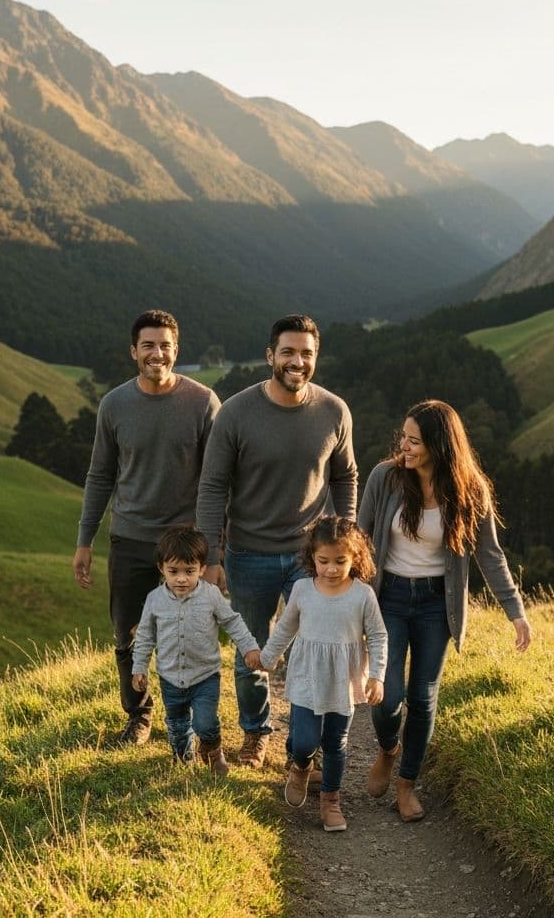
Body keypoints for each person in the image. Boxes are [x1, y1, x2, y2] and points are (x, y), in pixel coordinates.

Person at [358, 399, 532, 822]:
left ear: (440, 445)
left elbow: (490, 555)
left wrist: (516, 610)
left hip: (437, 604)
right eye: (403, 436)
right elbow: (359, 540)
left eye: (414, 440)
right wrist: (342, 596)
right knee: (387, 696)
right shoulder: (386, 478)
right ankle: (388, 748)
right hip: (390, 599)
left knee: (423, 696)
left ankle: (407, 785)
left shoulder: (470, 490)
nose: (404, 446)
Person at [196, 314, 357, 769]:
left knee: (318, 649)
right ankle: (256, 733)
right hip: (248, 555)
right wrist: (211, 555)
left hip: (312, 558)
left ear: (315, 358)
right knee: (253, 654)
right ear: (270, 356)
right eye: (287, 352)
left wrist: (345, 542)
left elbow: (346, 476)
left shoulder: (334, 411)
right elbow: (212, 487)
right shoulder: (236, 413)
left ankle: (309, 741)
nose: (297, 361)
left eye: (306, 353)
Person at [73, 309, 221, 746]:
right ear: (133, 350)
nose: (157, 353)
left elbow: (218, 481)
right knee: (128, 635)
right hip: (131, 537)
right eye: (148, 345)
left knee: (192, 635)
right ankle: (138, 717)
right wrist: (85, 540)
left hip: (186, 542)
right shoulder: (114, 405)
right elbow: (100, 475)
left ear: (176, 350)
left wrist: (216, 550)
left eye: (165, 346)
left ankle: (194, 717)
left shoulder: (203, 402)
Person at [253, 516, 386, 831]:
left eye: (340, 561)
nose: (331, 569)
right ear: (312, 557)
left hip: (343, 679)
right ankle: (300, 767)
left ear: (355, 559)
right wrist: (268, 656)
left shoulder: (362, 595)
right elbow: (286, 626)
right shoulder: (302, 589)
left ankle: (331, 802)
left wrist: (377, 675)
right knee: (303, 741)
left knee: (335, 742)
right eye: (323, 561)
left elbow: (378, 636)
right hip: (307, 676)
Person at [132, 527, 261, 773]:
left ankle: (212, 750)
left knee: (205, 722)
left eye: (189, 571)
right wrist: (139, 667)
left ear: (202, 569)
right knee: (177, 724)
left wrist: (249, 648)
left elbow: (232, 622)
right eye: (174, 571)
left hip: (205, 675)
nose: (181, 578)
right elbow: (145, 636)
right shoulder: (154, 599)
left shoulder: (211, 596)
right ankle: (183, 758)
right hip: (170, 677)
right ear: (162, 568)